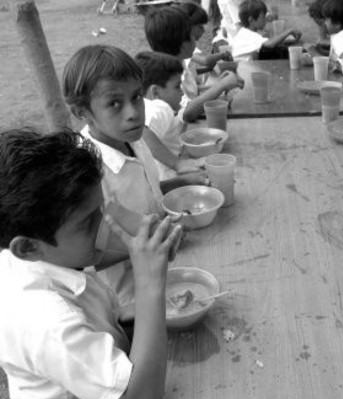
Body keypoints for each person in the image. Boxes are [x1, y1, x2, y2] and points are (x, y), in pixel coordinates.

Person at [0, 128, 181, 399]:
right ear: (27, 248)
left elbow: (91, 306)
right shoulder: (47, 323)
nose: (105, 222)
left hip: (105, 366)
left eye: (101, 208)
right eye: (88, 222)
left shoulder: (38, 256)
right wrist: (149, 284)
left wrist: (143, 255)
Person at [62, 44, 204, 321]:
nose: (133, 112)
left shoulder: (134, 139)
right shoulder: (85, 173)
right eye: (114, 103)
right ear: (82, 111)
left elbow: (143, 192)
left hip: (165, 271)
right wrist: (154, 238)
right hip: (128, 304)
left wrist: (177, 184)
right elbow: (86, 256)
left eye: (136, 97)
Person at [145, 6, 244, 122]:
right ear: (182, 44)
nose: (195, 40)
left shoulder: (178, 63)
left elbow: (192, 91)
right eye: (191, 36)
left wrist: (218, 84)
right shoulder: (168, 75)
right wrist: (220, 86)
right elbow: (187, 112)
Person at [135, 50, 203, 180]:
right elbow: (142, 131)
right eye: (177, 86)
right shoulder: (160, 107)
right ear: (155, 92)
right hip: (169, 180)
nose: (182, 92)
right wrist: (177, 164)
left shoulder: (144, 105)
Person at [176, 1, 233, 83]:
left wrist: (222, 55)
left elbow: (205, 61)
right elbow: (205, 61)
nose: (203, 31)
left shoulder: (185, 45)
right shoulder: (181, 48)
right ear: (188, 26)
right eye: (200, 26)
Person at [231, 0, 302, 61]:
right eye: (263, 17)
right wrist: (289, 31)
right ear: (251, 20)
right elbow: (270, 44)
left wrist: (287, 40)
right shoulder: (248, 35)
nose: (265, 20)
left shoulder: (245, 32)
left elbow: (267, 42)